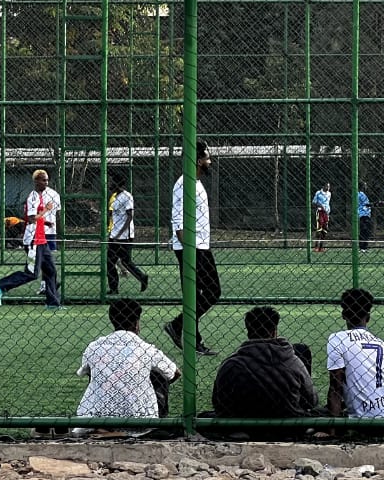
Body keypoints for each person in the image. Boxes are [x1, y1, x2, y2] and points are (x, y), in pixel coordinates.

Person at [75, 298, 178, 429]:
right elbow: (175, 373)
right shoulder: (146, 348)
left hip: (96, 415)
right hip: (141, 416)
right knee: (159, 374)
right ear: (136, 323)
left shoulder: (94, 347)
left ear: (112, 320)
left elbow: (85, 372)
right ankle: (155, 419)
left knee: (96, 374)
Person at [210, 306, 319, 420]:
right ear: (274, 331)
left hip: (243, 420)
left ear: (248, 331)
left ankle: (239, 431)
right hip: (288, 420)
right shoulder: (293, 361)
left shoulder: (232, 364)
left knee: (205, 417)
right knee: (322, 413)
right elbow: (311, 400)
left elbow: (218, 402)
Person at [163, 140, 221, 356]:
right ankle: (178, 325)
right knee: (213, 291)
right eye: (207, 157)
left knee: (196, 294)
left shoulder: (195, 182)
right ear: (198, 161)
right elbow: (177, 218)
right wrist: (187, 248)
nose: (209, 161)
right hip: (192, 247)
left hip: (199, 245)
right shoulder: (184, 183)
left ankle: (189, 336)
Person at [326, 288, 384, 419]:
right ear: (368, 317)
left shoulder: (337, 339)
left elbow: (336, 387)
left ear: (343, 315)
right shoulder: (382, 344)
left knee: (321, 412)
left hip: (366, 420)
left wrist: (330, 430)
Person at [0, 169, 62, 308]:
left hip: (42, 239)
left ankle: (53, 303)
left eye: (47, 179)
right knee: (32, 273)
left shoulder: (49, 194)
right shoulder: (33, 197)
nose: (46, 182)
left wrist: (47, 222)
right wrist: (46, 210)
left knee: (51, 271)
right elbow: (31, 219)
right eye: (43, 180)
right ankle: (1, 285)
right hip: (34, 240)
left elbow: (41, 218)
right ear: (36, 181)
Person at [106, 171, 148, 295]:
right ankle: (114, 289)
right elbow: (113, 215)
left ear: (117, 183)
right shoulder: (114, 197)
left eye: (111, 181)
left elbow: (130, 216)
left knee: (126, 261)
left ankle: (142, 277)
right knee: (110, 262)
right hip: (114, 235)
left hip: (124, 237)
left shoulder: (127, 196)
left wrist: (120, 234)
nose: (109, 184)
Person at [312, 182, 331, 253]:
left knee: (325, 230)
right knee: (319, 229)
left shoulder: (329, 194)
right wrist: (320, 205)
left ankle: (321, 247)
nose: (328, 188)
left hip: (326, 213)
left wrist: (327, 209)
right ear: (323, 186)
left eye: (329, 187)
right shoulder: (318, 193)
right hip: (320, 212)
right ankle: (316, 246)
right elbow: (314, 202)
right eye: (327, 186)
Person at [357, 184, 373, 252]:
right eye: (365, 185)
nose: (366, 187)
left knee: (366, 231)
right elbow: (365, 204)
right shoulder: (360, 194)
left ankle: (364, 247)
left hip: (366, 214)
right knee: (364, 230)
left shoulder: (362, 194)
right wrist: (374, 204)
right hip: (363, 214)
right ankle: (362, 247)